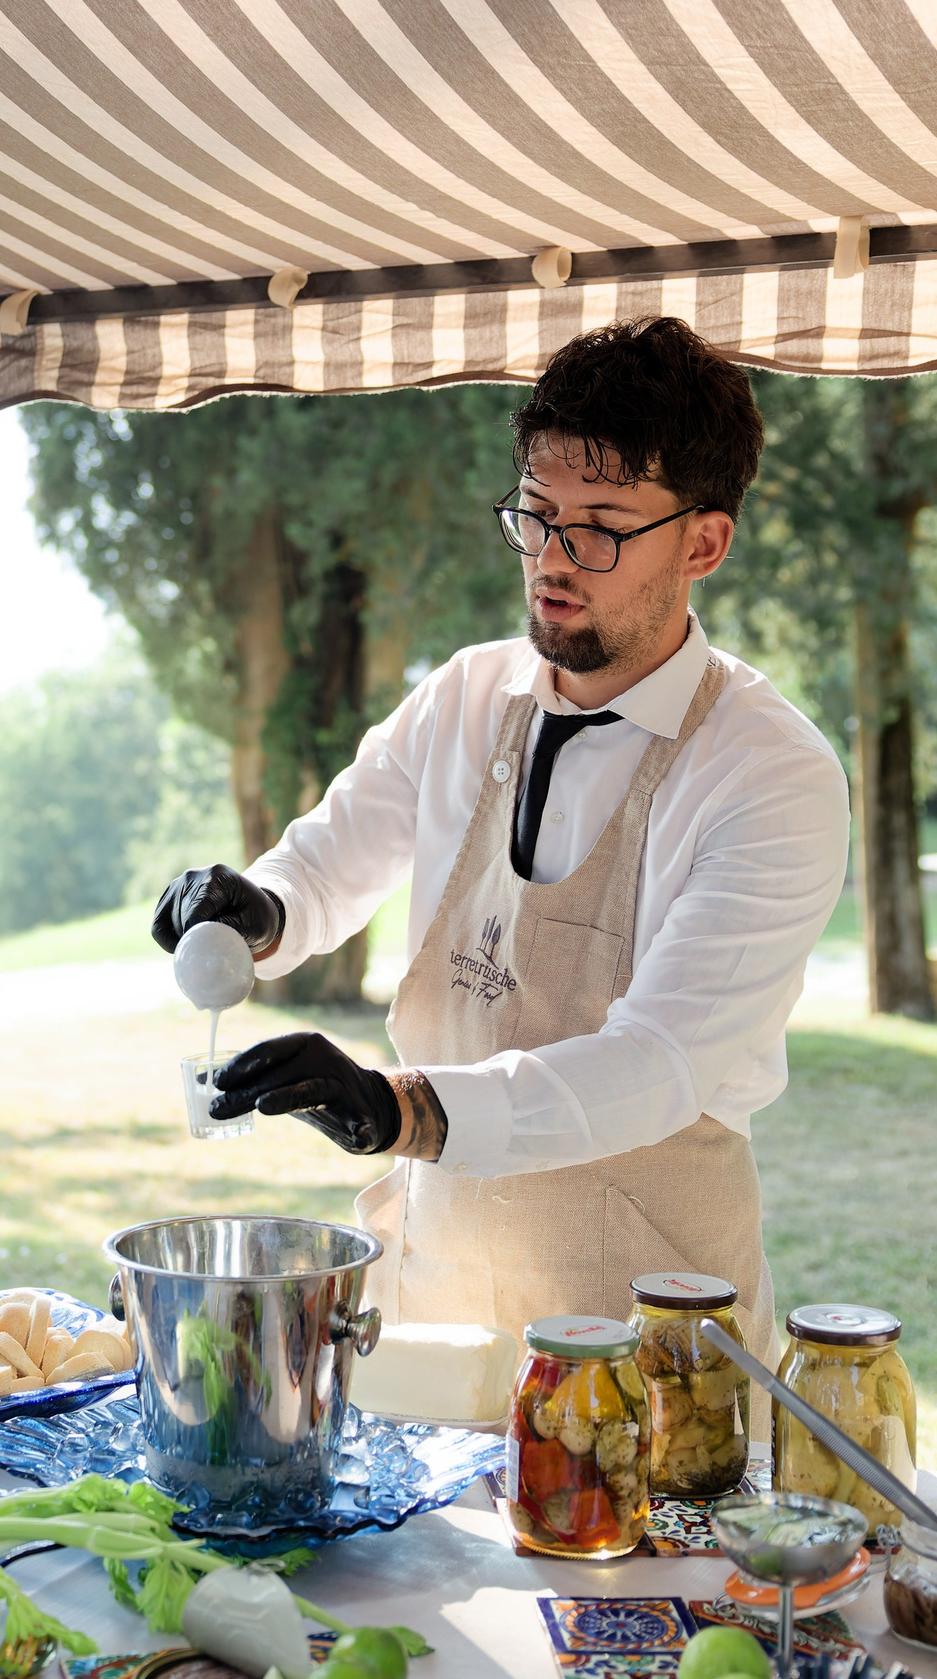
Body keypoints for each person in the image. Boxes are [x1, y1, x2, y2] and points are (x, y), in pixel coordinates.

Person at [153, 317, 849, 1359]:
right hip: (439, 1309)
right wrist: (259, 910)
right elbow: (329, 860)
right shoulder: (466, 697)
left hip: (652, 1336)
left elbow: (657, 1062)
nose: (554, 561)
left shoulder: (768, 771)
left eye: (602, 528)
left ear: (703, 542)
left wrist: (402, 1112)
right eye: (536, 514)